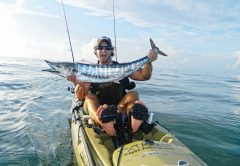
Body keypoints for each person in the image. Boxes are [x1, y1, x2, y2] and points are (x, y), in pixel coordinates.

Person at [67, 36, 157, 138]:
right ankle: (102, 120)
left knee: (133, 94)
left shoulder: (122, 68)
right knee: (89, 98)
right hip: (98, 108)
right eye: (100, 48)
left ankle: (132, 123)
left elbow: (144, 76)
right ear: (96, 52)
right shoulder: (88, 70)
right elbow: (80, 96)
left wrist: (148, 61)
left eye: (107, 48)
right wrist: (80, 82)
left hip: (119, 108)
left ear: (111, 51)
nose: (103, 50)